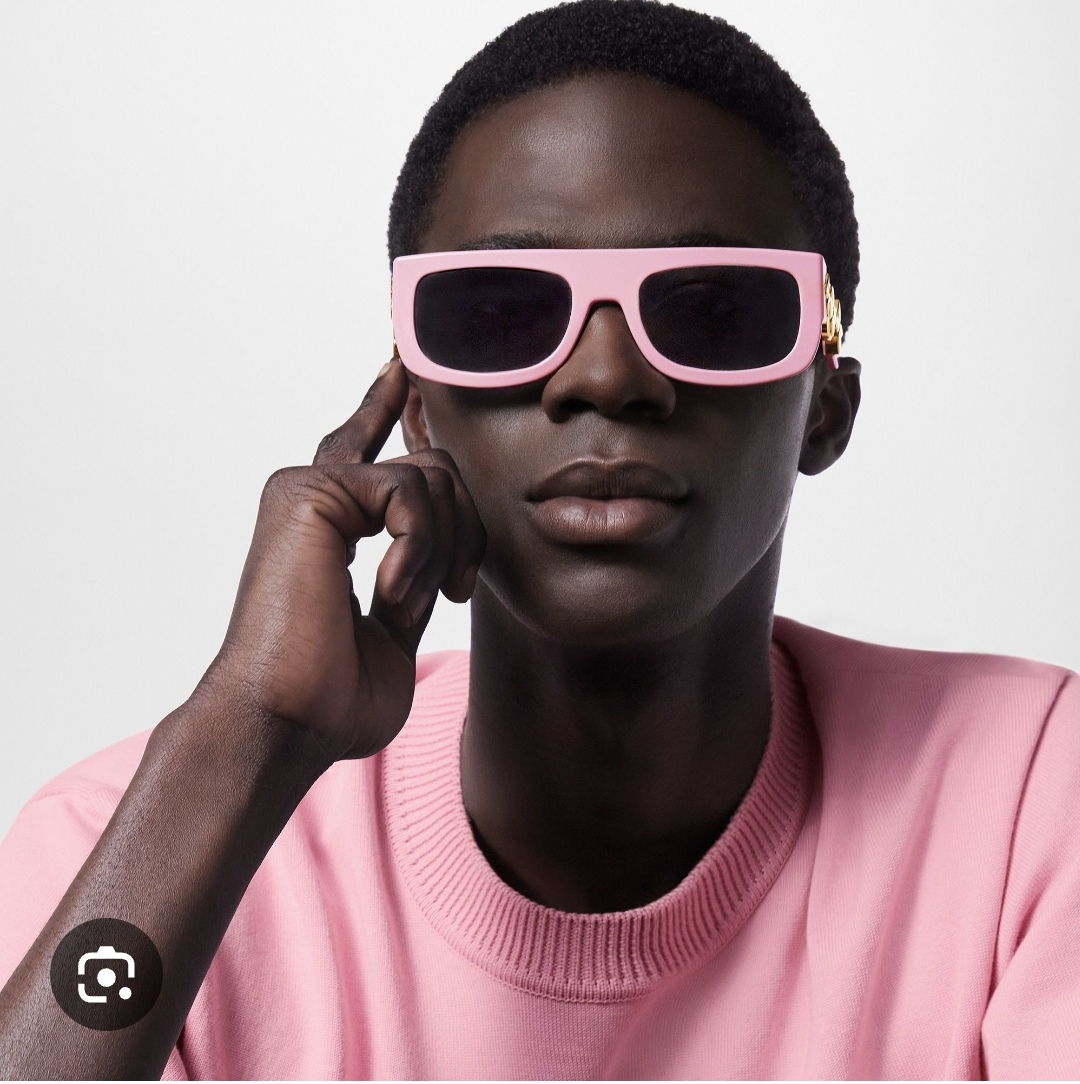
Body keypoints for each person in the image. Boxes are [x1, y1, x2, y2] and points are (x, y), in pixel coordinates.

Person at [1, 0, 1077, 1078]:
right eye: (504, 313)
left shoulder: (1030, 802)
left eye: (711, 310)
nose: (605, 377)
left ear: (826, 408)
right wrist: (241, 737)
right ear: (418, 409)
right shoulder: (141, 848)